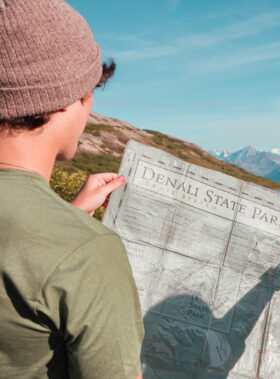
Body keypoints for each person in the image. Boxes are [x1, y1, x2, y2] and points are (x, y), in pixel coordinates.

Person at [0, 1, 143, 378]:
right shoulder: (88, 253)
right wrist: (73, 236)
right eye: (91, 89)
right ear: (73, 99)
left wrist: (71, 216)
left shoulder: (70, 247)